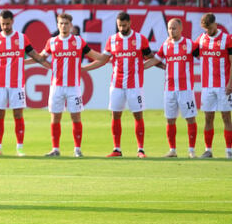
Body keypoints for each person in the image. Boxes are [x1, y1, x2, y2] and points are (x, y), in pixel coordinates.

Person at [0, 10, 50, 156]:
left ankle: (19, 148)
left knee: (18, 114)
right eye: (2, 24)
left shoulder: (22, 38)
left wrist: (50, 66)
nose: (5, 26)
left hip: (17, 84)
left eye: (7, 23)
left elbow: (35, 56)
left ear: (12, 21)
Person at [82, 12, 155, 158]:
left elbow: (152, 58)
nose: (121, 28)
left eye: (124, 25)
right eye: (119, 25)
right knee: (116, 116)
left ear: (130, 23)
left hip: (135, 85)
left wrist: (158, 66)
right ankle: (117, 149)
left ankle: (140, 150)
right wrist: (83, 69)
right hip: (116, 85)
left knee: (138, 116)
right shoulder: (112, 40)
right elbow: (103, 60)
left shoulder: (141, 39)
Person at [40, 13, 104, 157]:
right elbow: (41, 58)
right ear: (57, 25)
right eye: (61, 23)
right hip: (56, 86)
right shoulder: (51, 42)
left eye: (66, 23)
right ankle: (55, 149)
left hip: (73, 87)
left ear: (71, 26)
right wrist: (48, 66)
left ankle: (77, 149)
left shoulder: (78, 41)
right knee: (55, 117)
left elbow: (97, 58)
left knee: (76, 117)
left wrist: (86, 68)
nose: (63, 26)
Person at [149, 18, 199, 158]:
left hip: (186, 89)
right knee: (170, 119)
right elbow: (155, 60)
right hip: (169, 89)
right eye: (170, 28)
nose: (171, 31)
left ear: (181, 28)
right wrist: (140, 67)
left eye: (174, 28)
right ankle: (172, 150)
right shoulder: (165, 45)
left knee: (190, 118)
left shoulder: (189, 44)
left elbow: (204, 58)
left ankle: (191, 150)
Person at [195, 13, 232, 158]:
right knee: (208, 118)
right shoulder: (201, 39)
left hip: (224, 86)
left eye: (209, 28)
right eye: (205, 29)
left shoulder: (227, 39)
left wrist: (230, 83)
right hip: (207, 86)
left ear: (215, 24)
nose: (208, 32)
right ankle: (208, 150)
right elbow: (191, 53)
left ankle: (229, 151)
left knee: (226, 117)